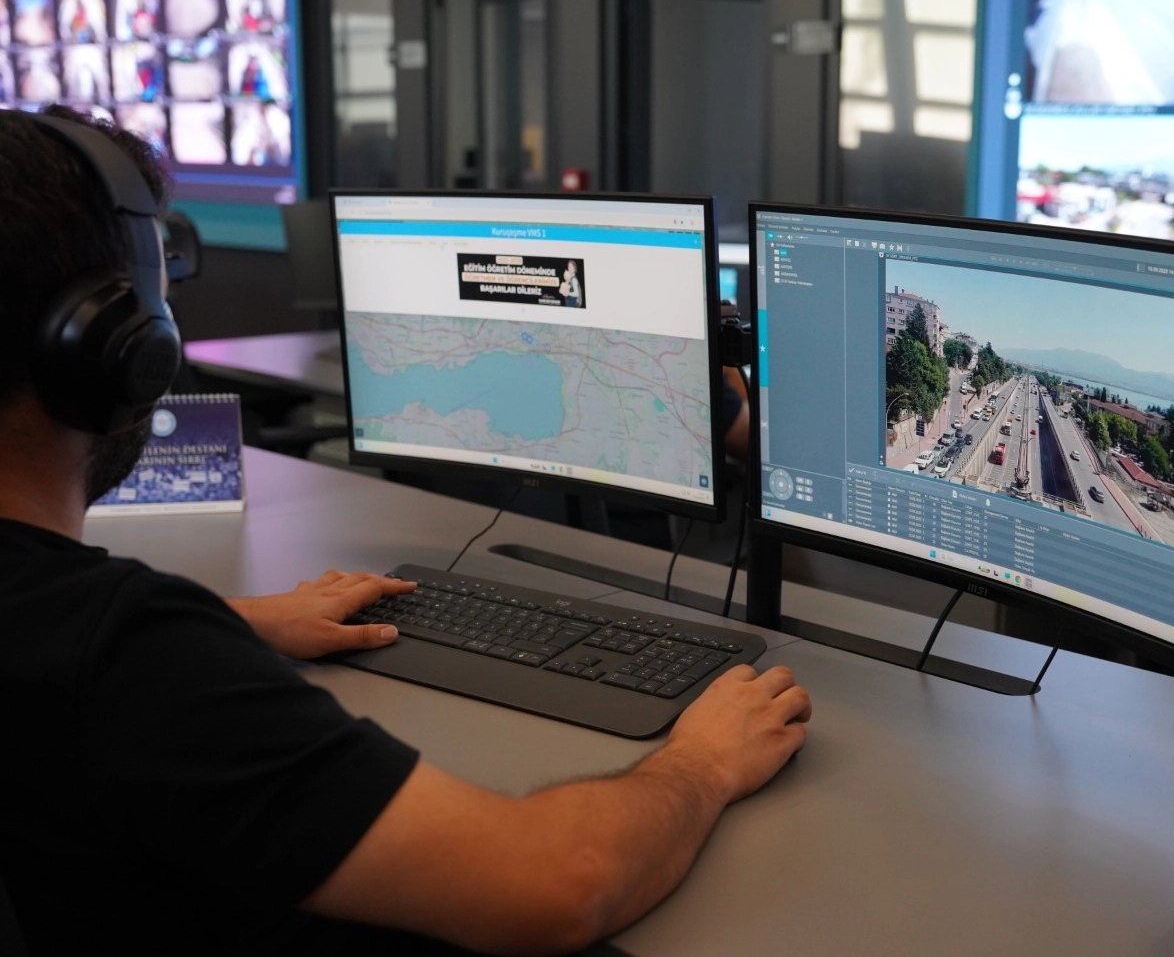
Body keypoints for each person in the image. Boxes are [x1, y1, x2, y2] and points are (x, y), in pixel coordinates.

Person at [0, 107, 813, 955]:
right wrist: (702, 762)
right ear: (121, 351)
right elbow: (558, 883)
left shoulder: (73, 636)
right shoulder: (130, 659)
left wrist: (233, 621)